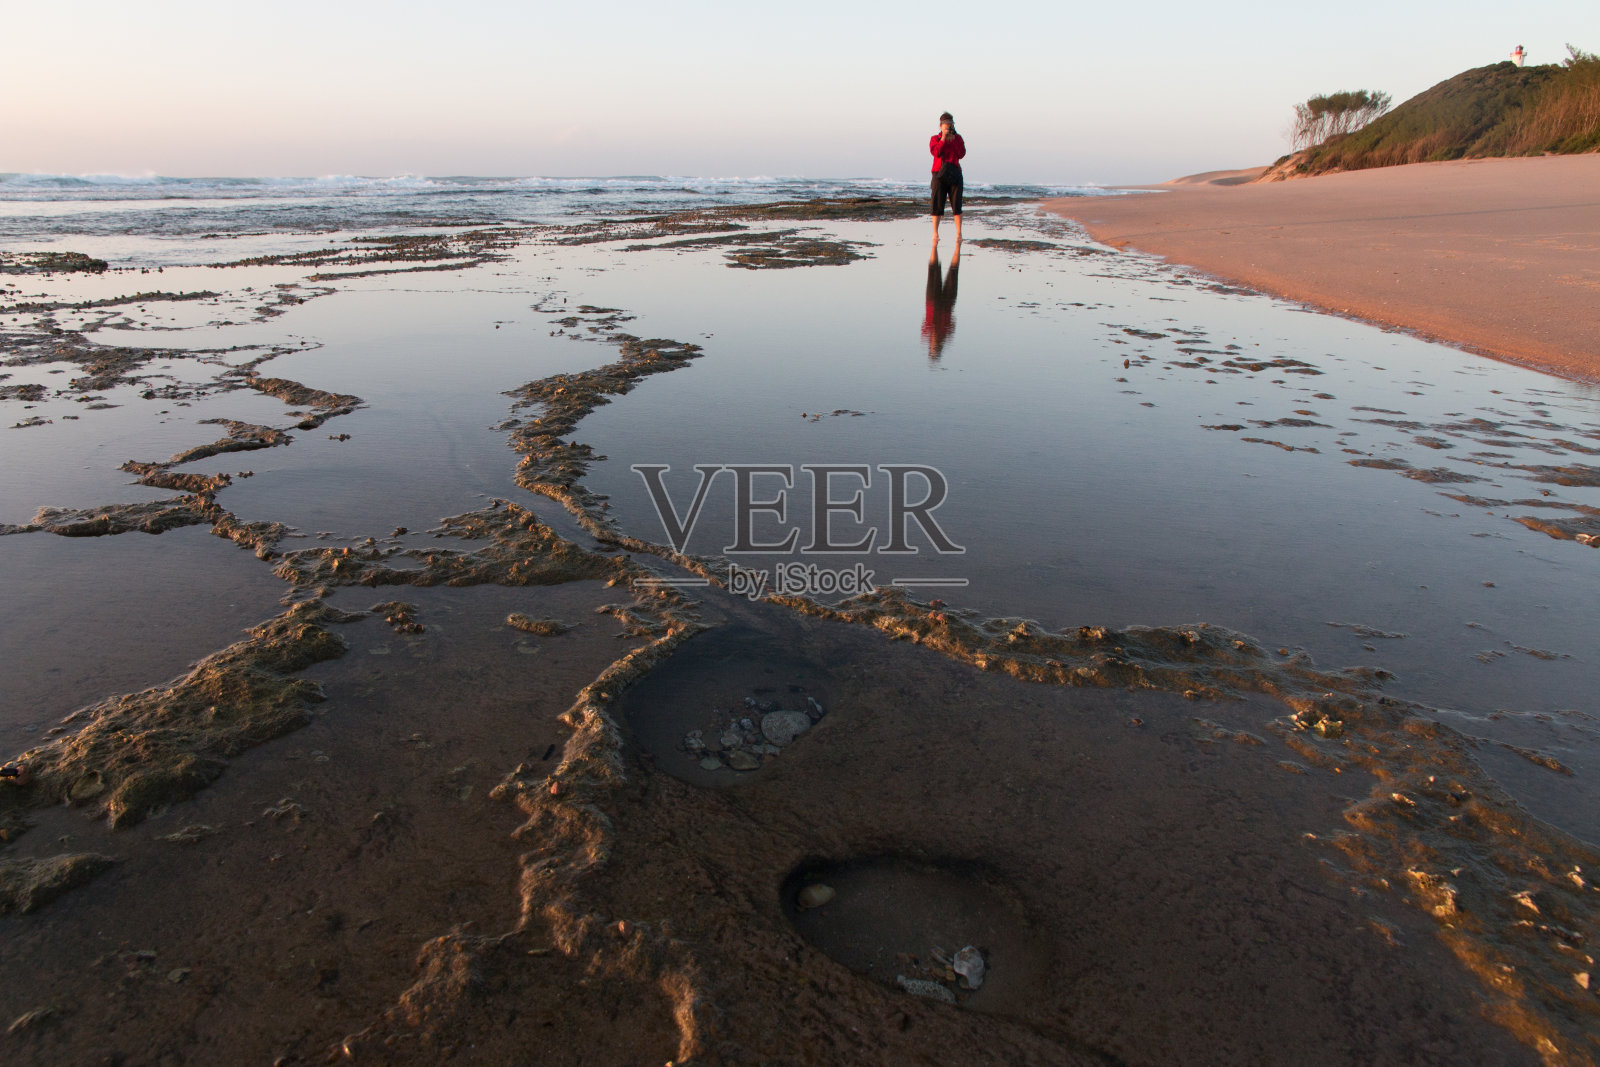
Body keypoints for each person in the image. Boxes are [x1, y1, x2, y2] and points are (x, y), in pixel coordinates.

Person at [929, 111, 965, 244]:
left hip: (954, 173)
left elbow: (961, 154)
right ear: (941, 126)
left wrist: (953, 139)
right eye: (946, 125)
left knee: (957, 204)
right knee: (937, 204)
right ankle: (935, 233)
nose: (949, 127)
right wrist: (943, 138)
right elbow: (936, 152)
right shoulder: (935, 139)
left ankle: (959, 233)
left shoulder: (958, 138)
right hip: (939, 173)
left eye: (951, 125)